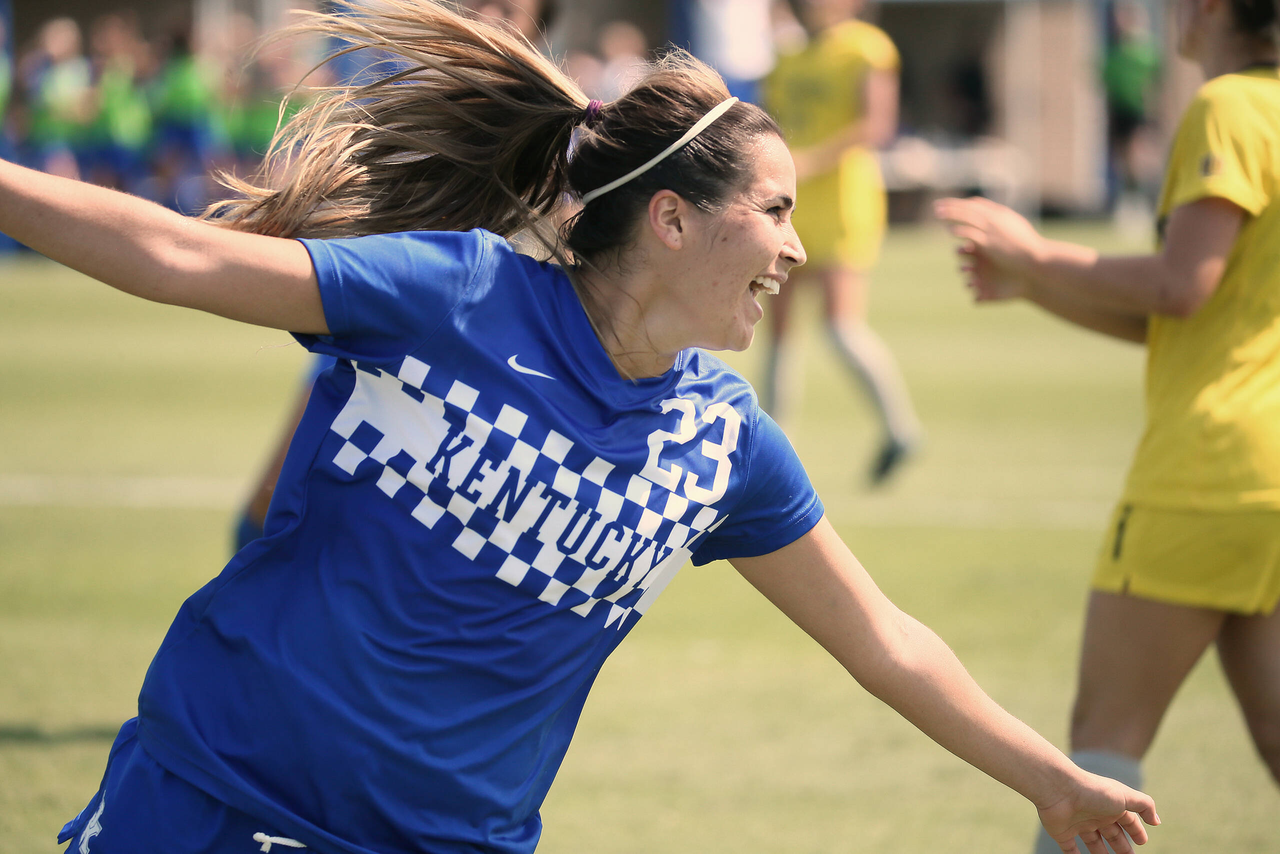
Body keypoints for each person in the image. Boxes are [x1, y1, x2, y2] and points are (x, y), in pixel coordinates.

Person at [0, 3, 1158, 853]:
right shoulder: (452, 294)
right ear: (670, 219)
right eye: (773, 210)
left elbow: (884, 640)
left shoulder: (723, 445)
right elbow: (177, 253)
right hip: (210, 798)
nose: (796, 247)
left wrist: (1048, 780)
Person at [935, 0, 1280, 852]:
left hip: (1208, 472)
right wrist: (1037, 287)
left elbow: (1181, 287)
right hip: (1266, 474)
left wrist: (1034, 251)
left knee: (1099, 750)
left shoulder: (1228, 105)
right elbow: (1202, 317)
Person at [760, 0, 921, 485]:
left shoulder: (867, 48)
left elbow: (876, 125)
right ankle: (771, 451)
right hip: (789, 204)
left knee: (840, 325)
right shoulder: (786, 55)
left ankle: (900, 428)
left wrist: (811, 159)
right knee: (777, 329)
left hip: (843, 204)